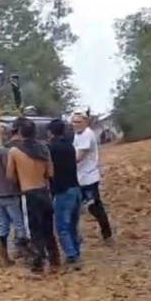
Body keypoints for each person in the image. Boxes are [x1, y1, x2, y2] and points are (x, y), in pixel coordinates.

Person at [6, 117, 60, 273]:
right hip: (44, 191)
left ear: (20, 132)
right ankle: (55, 259)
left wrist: (21, 178)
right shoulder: (44, 149)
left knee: (35, 230)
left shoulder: (15, 151)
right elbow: (50, 173)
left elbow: (9, 175)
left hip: (29, 193)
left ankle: (39, 262)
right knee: (48, 228)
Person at [0, 124, 29, 267]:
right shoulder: (2, 152)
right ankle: (25, 254)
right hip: (8, 192)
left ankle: (4, 258)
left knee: (3, 226)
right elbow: (10, 172)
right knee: (19, 224)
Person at [71, 112, 114, 245]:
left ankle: (107, 235)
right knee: (76, 208)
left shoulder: (87, 135)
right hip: (80, 177)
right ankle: (77, 237)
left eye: (78, 122)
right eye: (73, 122)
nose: (75, 124)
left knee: (94, 207)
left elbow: (78, 157)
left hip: (88, 178)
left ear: (86, 122)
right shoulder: (78, 135)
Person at [47, 118, 83, 264]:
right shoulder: (70, 146)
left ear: (50, 132)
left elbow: (50, 171)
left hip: (62, 191)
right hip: (75, 188)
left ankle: (71, 255)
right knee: (73, 225)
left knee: (62, 226)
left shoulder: (51, 149)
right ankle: (76, 251)